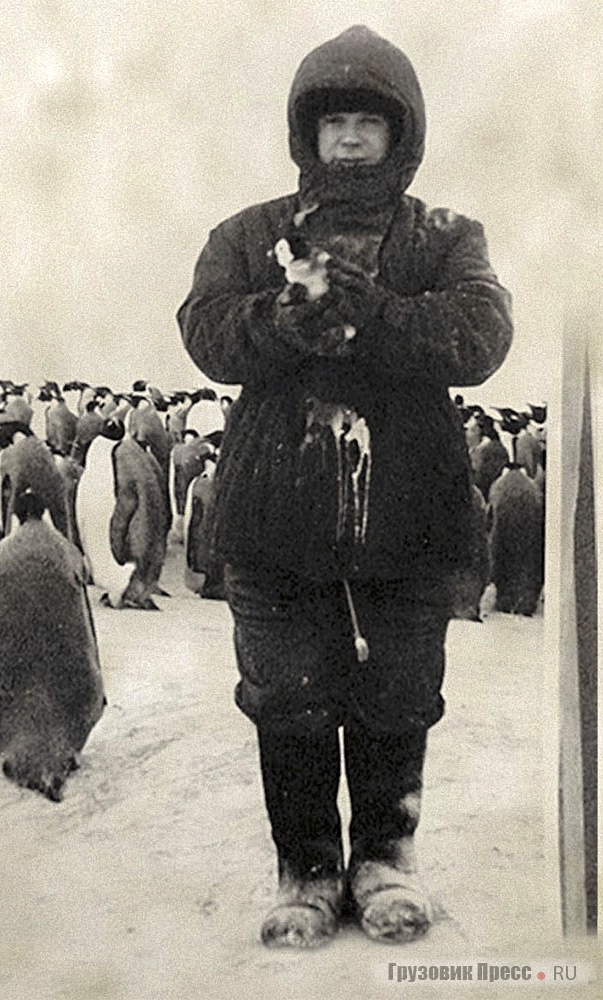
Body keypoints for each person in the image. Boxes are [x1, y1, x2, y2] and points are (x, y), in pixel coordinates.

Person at [177, 24, 512, 949]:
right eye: (336, 123)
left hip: (409, 511)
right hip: (274, 514)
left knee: (399, 692)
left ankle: (386, 859)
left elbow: (481, 337)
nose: (353, 139)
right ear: (308, 134)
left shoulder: (446, 237)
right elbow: (204, 332)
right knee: (286, 694)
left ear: (401, 135)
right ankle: (308, 869)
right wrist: (282, 317)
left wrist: (369, 313)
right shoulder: (248, 236)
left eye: (371, 121)